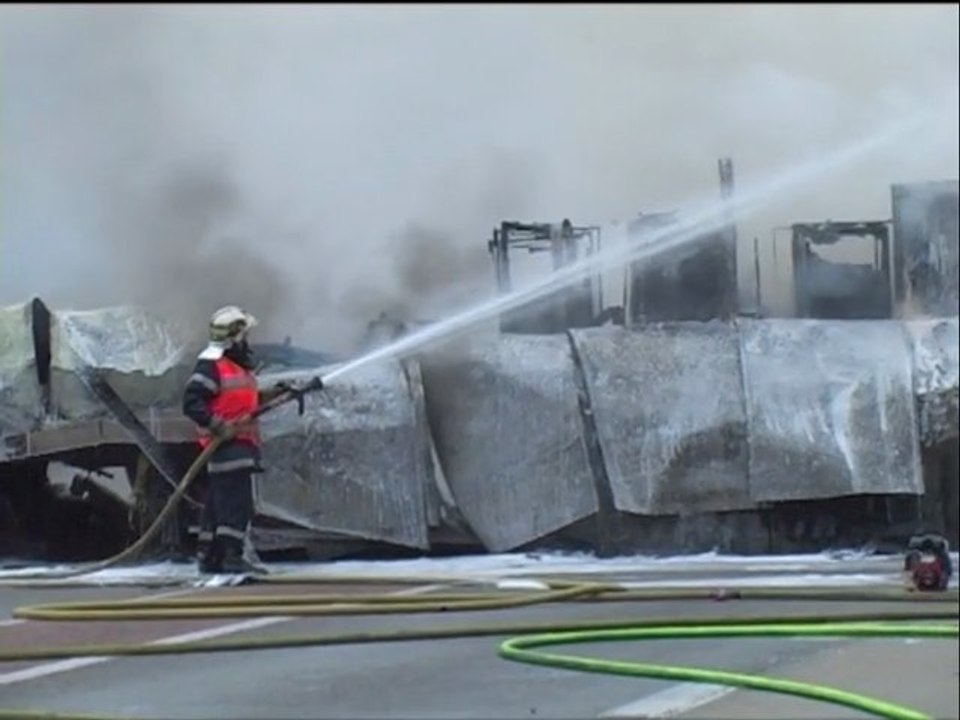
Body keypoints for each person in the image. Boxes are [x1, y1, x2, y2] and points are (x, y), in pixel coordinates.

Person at [181, 305, 300, 574]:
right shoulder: (212, 366)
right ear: (234, 338)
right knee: (236, 504)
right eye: (244, 335)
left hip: (236, 446)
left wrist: (278, 394)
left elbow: (243, 401)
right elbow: (191, 402)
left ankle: (210, 557)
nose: (248, 341)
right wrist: (218, 425)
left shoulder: (234, 367)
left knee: (217, 504)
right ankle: (232, 558)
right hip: (226, 447)